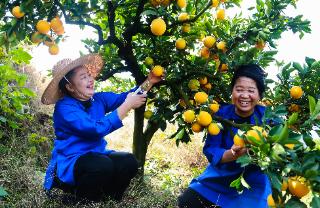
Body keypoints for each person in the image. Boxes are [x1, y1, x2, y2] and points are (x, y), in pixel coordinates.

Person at [41, 53, 162, 202]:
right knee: (101, 165)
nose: (90, 79)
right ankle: (81, 199)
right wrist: (127, 106)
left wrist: (149, 81)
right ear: (69, 86)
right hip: (73, 159)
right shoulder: (65, 108)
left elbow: (127, 97)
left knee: (129, 161)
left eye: (89, 75)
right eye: (83, 77)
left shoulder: (98, 99)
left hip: (97, 154)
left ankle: (109, 198)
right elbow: (94, 129)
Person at [178, 64, 271, 208]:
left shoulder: (269, 118)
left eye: (251, 90)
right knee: (187, 201)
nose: (245, 95)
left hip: (253, 183)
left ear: (259, 94)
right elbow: (212, 149)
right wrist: (233, 154)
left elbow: (284, 147)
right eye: (239, 90)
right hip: (220, 177)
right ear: (232, 91)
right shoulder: (220, 115)